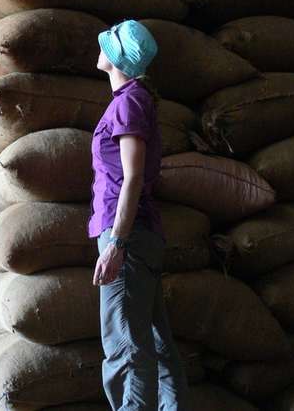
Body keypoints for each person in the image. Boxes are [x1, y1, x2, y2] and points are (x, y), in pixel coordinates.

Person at [90, 20, 190, 411]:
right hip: (138, 234)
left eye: (107, 45)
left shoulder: (129, 103)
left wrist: (115, 243)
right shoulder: (134, 99)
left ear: (117, 59)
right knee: (156, 344)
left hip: (127, 235)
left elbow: (132, 178)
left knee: (126, 348)